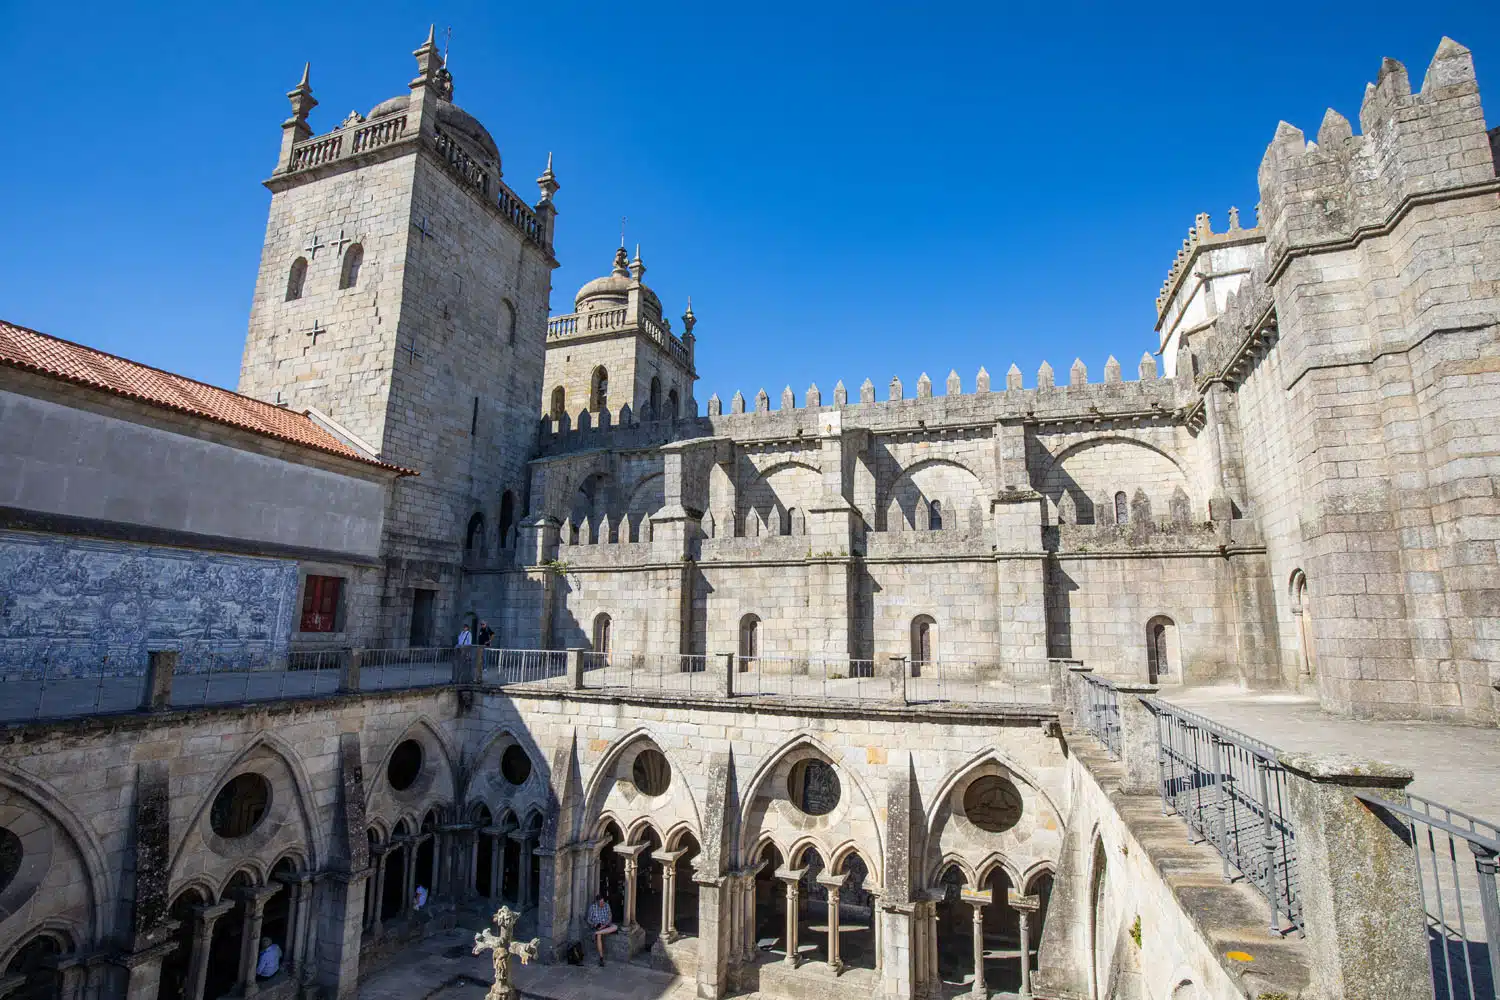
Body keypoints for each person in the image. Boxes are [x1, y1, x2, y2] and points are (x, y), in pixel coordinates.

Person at [586, 893, 617, 966]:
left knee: (615, 927)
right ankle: (601, 958)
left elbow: (610, 917)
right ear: (597, 902)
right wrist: (595, 924)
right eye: (600, 902)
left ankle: (596, 933)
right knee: (599, 935)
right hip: (598, 926)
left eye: (603, 902)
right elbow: (588, 920)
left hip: (606, 925)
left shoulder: (607, 905)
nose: (602, 903)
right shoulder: (592, 907)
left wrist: (605, 925)